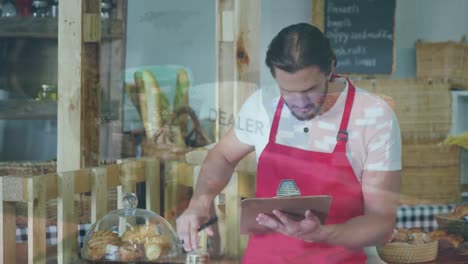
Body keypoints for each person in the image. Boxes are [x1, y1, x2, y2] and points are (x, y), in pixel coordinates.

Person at [176, 23, 401, 263]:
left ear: (331, 69)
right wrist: (199, 203)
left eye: (310, 89)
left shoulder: (373, 116)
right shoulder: (262, 105)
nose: (300, 103)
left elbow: (381, 221)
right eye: (287, 91)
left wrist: (324, 234)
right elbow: (222, 156)